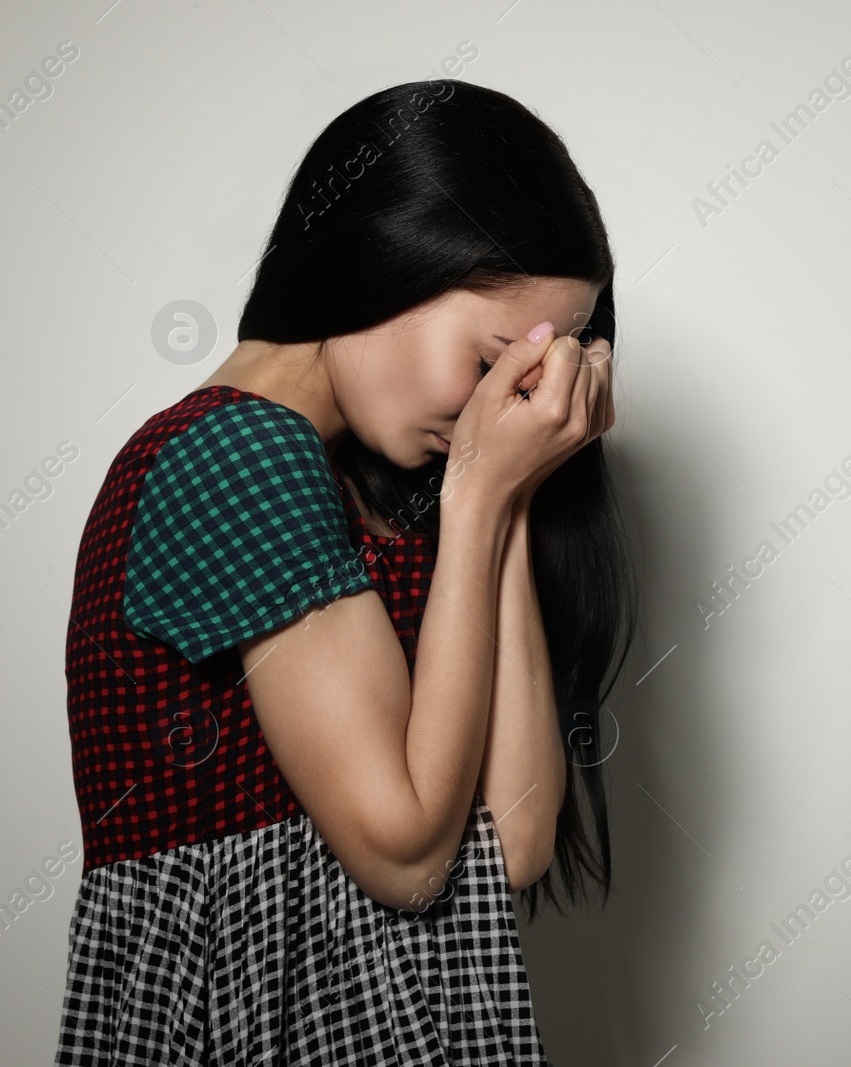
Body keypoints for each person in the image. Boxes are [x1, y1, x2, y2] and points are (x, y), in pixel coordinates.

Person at [55, 79, 639, 1064]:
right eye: (498, 359)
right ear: (386, 263)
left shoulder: (390, 500)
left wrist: (507, 490)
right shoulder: (231, 456)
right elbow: (409, 856)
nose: (506, 401)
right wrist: (482, 496)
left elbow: (516, 841)